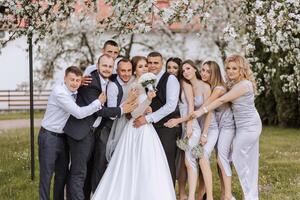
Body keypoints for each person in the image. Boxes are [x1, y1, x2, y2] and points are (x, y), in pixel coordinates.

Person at [92, 58, 176, 200]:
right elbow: (134, 114)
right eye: (140, 66)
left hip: (147, 129)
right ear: (135, 70)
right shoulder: (134, 87)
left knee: (149, 165)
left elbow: (145, 108)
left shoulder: (147, 86)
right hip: (135, 128)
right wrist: (148, 101)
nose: (144, 68)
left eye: (145, 66)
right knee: (131, 164)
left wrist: (149, 107)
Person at [63, 54, 137, 200]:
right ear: (97, 66)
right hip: (80, 131)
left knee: (86, 170)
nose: (107, 69)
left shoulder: (109, 81)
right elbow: (99, 110)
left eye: (110, 66)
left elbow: (125, 74)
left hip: (91, 132)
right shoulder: (90, 82)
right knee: (79, 172)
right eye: (104, 66)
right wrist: (123, 109)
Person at [192, 55, 262, 200]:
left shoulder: (244, 85)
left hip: (250, 126)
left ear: (241, 69)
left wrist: (201, 111)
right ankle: (248, 194)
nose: (230, 71)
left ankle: (236, 195)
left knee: (236, 156)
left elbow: (222, 99)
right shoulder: (232, 84)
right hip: (239, 126)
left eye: (234, 68)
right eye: (228, 68)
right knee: (247, 160)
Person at [38, 66, 106, 200]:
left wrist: (81, 82)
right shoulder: (60, 92)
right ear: (64, 79)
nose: (74, 83)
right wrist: (98, 102)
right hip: (49, 136)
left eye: (77, 80)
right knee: (47, 176)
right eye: (71, 80)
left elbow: (78, 87)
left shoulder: (74, 90)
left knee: (62, 175)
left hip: (63, 138)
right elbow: (79, 113)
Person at [133, 52, 181, 185]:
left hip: (166, 127)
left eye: (156, 63)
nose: (152, 66)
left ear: (162, 63)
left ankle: (169, 193)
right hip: (150, 129)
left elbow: (171, 105)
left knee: (166, 161)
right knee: (152, 162)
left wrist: (148, 118)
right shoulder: (147, 80)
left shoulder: (170, 79)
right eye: (150, 63)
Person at [91, 58, 135, 192]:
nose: (126, 74)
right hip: (108, 128)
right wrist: (129, 101)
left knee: (119, 162)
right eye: (123, 71)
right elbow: (111, 113)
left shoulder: (134, 82)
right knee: (101, 162)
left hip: (125, 127)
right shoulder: (113, 85)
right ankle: (97, 193)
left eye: (129, 70)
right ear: (117, 71)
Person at [197, 60, 235, 200]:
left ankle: (227, 195)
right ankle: (219, 193)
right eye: (203, 70)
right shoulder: (208, 86)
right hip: (217, 126)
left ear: (215, 73)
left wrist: (191, 114)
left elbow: (208, 105)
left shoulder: (218, 88)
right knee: (218, 160)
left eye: (208, 71)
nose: (204, 73)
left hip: (227, 125)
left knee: (221, 159)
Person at [180, 60, 218, 200]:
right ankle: (197, 194)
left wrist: (205, 133)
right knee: (192, 160)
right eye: (183, 70)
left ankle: (209, 197)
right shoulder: (188, 87)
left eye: (188, 68)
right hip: (197, 125)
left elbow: (209, 112)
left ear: (194, 69)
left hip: (210, 127)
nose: (186, 72)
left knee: (202, 158)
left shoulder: (205, 86)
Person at [165, 57, 189, 200]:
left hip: (184, 123)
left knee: (183, 160)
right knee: (175, 160)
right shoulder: (165, 83)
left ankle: (182, 192)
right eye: (169, 67)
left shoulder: (184, 84)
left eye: (175, 67)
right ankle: (171, 190)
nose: (171, 70)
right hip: (173, 124)